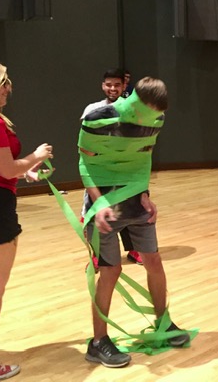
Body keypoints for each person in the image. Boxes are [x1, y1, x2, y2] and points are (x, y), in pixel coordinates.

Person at [80, 77, 190, 368]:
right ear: (135, 100)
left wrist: (144, 194)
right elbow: (84, 162)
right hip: (102, 206)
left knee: (153, 260)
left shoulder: (156, 118)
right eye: (146, 113)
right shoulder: (97, 117)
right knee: (110, 270)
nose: (149, 121)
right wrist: (98, 202)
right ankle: (98, 342)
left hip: (134, 200)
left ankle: (163, 323)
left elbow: (143, 157)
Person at [0, 59, 53, 380]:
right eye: (4, 83)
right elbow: (5, 168)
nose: (9, 89)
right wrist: (35, 157)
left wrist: (24, 172)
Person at [81, 68, 142, 266]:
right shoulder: (92, 109)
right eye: (109, 84)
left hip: (124, 171)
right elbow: (85, 142)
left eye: (117, 85)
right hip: (99, 171)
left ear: (124, 86)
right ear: (103, 85)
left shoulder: (131, 110)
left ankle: (134, 249)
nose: (112, 88)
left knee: (127, 209)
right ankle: (97, 254)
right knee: (93, 211)